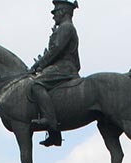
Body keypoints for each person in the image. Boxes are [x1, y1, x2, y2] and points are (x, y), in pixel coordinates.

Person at [28, 0, 81, 147]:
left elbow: (56, 50)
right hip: (62, 66)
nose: (53, 17)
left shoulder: (66, 28)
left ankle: (49, 120)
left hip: (64, 67)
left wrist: (39, 65)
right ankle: (55, 136)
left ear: (63, 12)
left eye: (55, 13)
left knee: (37, 85)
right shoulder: (64, 28)